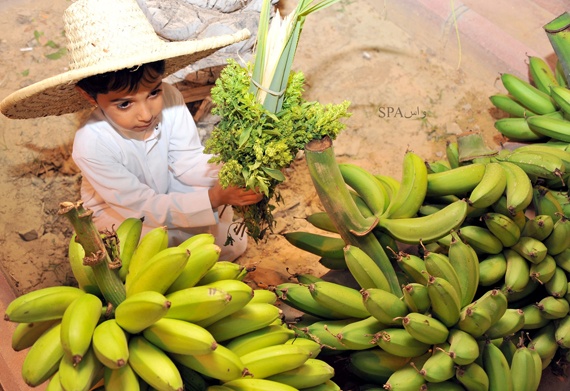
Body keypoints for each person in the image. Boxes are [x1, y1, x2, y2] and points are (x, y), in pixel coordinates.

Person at [0, 0, 263, 261]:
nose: (146, 114)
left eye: (153, 93)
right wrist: (211, 198)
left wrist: (231, 172)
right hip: (120, 212)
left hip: (166, 189)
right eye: (124, 104)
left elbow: (187, 160)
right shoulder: (91, 142)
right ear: (90, 96)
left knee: (230, 243)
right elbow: (141, 206)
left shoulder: (170, 96)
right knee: (150, 249)